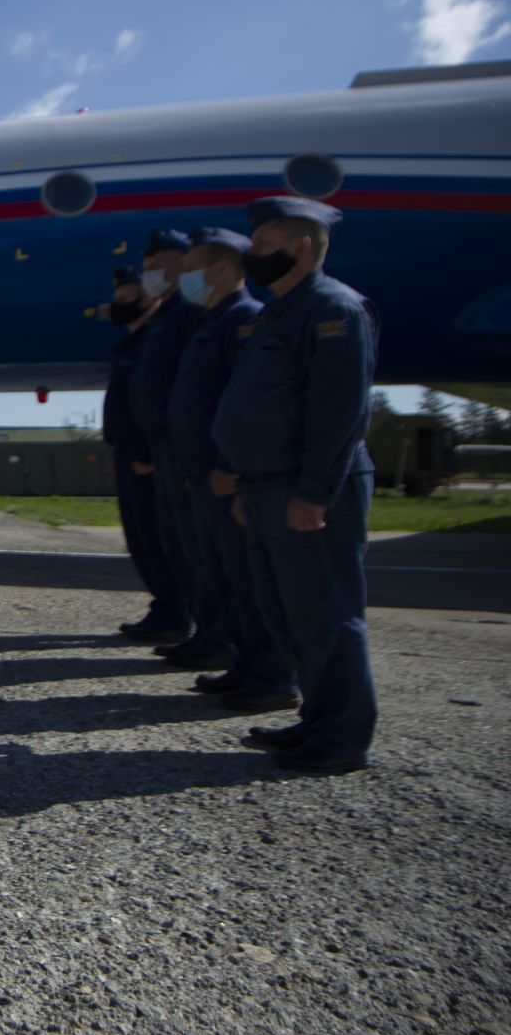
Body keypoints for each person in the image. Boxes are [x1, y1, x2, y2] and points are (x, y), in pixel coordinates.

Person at [213, 197, 379, 774]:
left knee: (326, 615)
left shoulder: (334, 309)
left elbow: (339, 412)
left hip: (304, 489)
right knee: (288, 613)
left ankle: (342, 740)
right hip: (265, 486)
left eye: (261, 246)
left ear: (301, 246)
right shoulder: (281, 311)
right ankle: (317, 719)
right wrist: (245, 486)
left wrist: (315, 492)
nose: (253, 255)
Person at [162, 229, 299, 711]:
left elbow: (244, 404)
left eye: (191, 266)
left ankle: (272, 676)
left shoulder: (243, 320)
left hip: (224, 473)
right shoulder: (211, 320)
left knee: (248, 579)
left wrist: (229, 466)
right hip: (202, 471)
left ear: (221, 269)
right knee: (223, 574)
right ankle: (246, 665)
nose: (182, 277)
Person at [122, 228, 203, 647]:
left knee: (185, 545)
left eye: (154, 267)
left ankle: (203, 627)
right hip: (151, 448)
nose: (146, 275)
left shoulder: (187, 315)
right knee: (158, 540)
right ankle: (179, 615)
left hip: (165, 449)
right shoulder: (157, 325)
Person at [101, 265, 186, 641]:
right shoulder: (134, 342)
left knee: (156, 538)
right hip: (130, 453)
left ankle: (176, 613)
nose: (117, 305)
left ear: (149, 298)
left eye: (125, 298)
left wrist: (147, 452)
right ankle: (167, 609)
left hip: (146, 457)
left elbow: (158, 403)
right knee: (141, 540)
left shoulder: (154, 340)